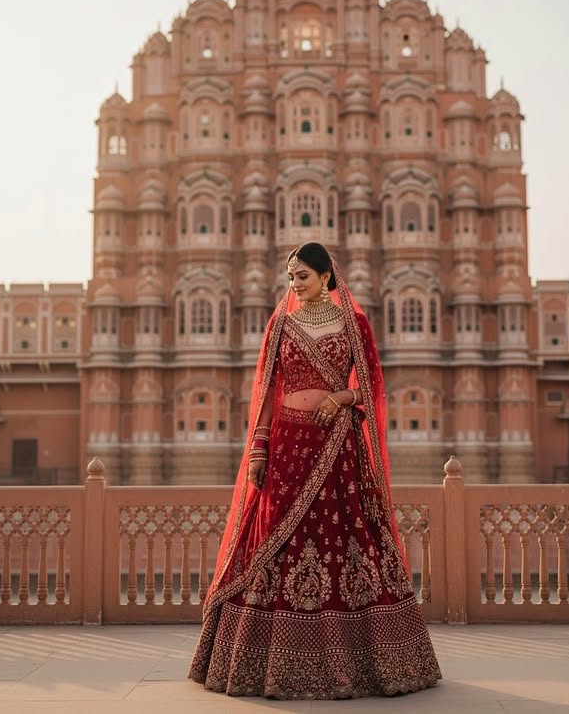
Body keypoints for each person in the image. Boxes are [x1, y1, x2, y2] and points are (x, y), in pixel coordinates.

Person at [188, 242, 441, 699]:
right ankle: (259, 663)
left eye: (302, 275)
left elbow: (371, 389)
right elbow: (266, 390)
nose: (294, 284)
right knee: (271, 539)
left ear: (327, 276)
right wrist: (259, 450)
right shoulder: (281, 324)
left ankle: (360, 662)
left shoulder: (354, 322)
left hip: (335, 446)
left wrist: (340, 397)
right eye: (290, 277)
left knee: (342, 541)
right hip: (286, 445)